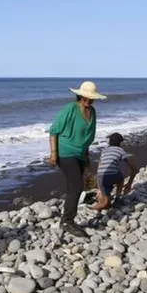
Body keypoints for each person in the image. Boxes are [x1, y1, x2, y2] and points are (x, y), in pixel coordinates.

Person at [49, 81, 106, 237]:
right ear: (80, 95)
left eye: (91, 97)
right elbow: (53, 131)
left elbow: (88, 136)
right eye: (85, 97)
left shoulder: (92, 112)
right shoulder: (70, 109)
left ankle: (68, 211)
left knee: (72, 186)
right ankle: (67, 221)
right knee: (77, 186)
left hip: (80, 153)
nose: (88, 100)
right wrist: (53, 153)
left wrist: (86, 155)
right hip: (65, 152)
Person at [94, 133, 138, 210]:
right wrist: (129, 183)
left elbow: (99, 167)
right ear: (120, 143)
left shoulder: (104, 151)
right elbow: (133, 168)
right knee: (121, 177)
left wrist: (99, 187)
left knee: (106, 202)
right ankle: (117, 199)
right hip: (111, 176)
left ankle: (99, 204)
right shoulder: (120, 150)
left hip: (100, 177)